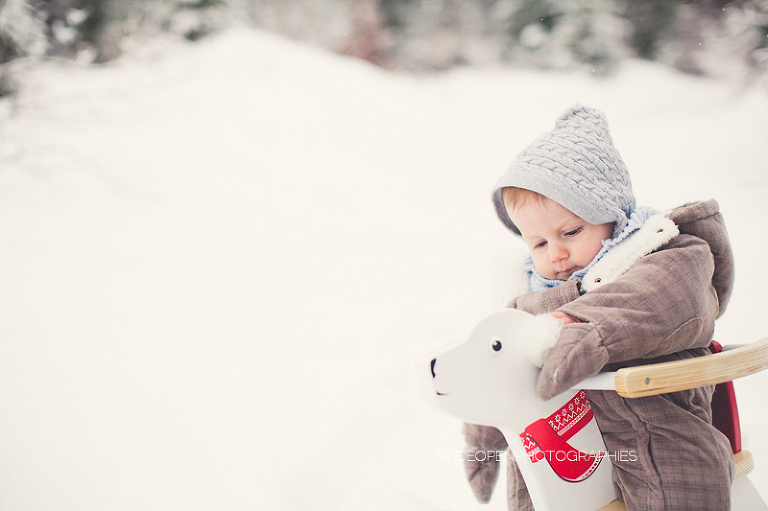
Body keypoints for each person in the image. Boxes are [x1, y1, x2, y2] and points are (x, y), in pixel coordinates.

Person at [463, 105, 734, 510]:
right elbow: (499, 368)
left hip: (658, 438)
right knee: (536, 487)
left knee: (677, 484)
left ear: (611, 212)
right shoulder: (528, 301)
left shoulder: (665, 256)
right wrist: (482, 436)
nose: (555, 254)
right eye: (537, 243)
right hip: (562, 456)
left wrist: (580, 325)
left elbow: (652, 299)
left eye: (570, 231)